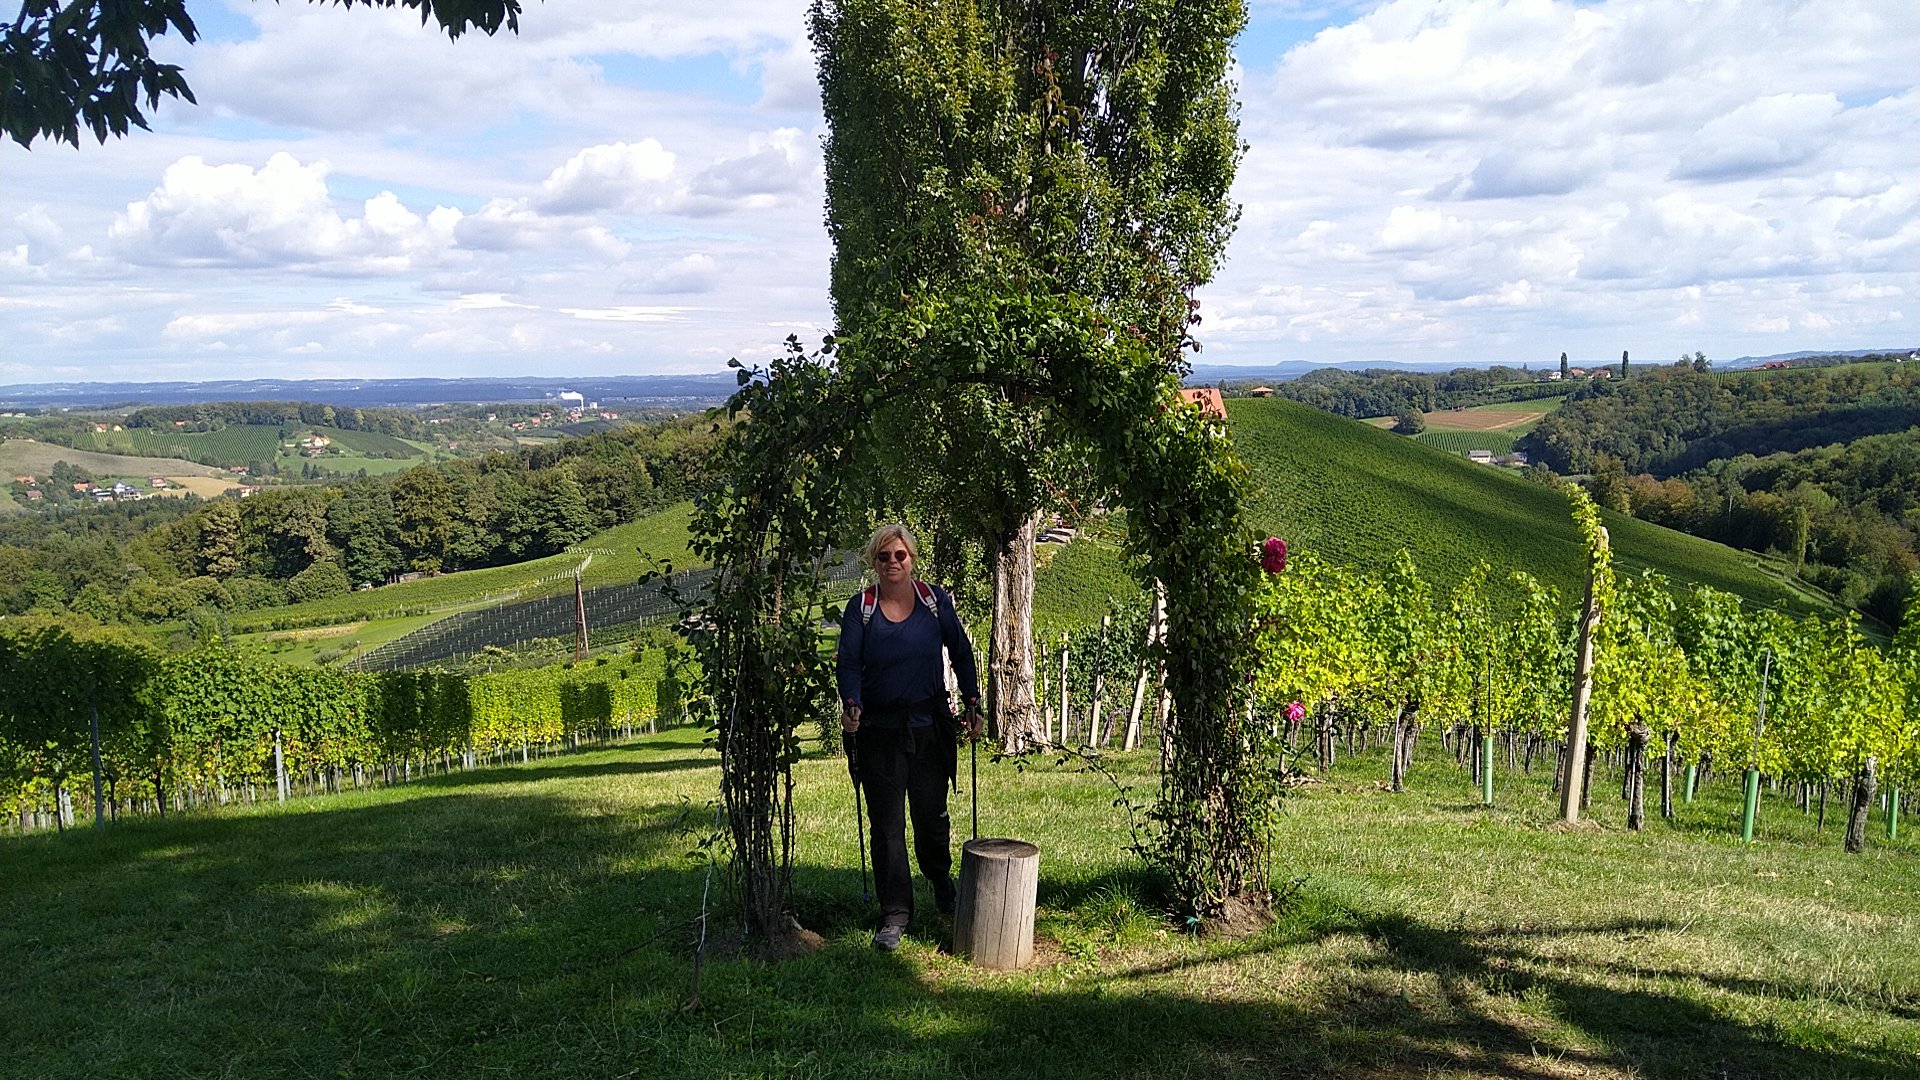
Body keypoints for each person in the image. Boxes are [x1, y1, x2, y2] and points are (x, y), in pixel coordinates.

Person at [836, 523, 982, 952]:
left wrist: (972, 701)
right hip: (879, 732)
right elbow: (848, 662)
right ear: (873, 563)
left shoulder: (934, 601)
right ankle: (894, 914)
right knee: (886, 827)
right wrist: (852, 702)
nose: (892, 563)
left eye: (900, 555)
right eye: (884, 557)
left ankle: (941, 881)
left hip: (929, 729)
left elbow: (960, 650)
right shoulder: (860, 608)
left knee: (931, 818)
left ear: (912, 558)